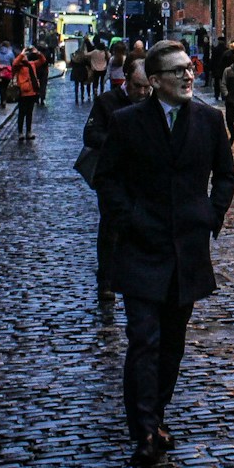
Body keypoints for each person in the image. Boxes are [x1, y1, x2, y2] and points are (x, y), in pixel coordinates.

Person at [95, 40, 234, 466]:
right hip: (142, 248)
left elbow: (226, 176)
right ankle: (142, 429)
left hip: (187, 251)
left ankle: (156, 415)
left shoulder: (210, 120)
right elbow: (107, 179)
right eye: (177, 71)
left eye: (189, 68)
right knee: (143, 340)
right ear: (154, 82)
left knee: (172, 343)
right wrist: (130, 219)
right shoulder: (128, 122)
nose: (188, 76)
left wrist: (211, 216)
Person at [78, 58, 152, 303]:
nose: (142, 92)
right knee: (110, 228)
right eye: (137, 86)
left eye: (146, 87)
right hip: (112, 177)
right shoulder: (107, 102)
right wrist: (118, 143)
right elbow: (90, 135)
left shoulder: (154, 103)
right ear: (126, 81)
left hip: (142, 178)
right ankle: (106, 280)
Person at [14, 44, 44, 140]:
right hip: (23, 92)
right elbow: (14, 63)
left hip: (32, 92)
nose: (26, 56)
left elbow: (43, 61)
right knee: (21, 113)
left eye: (26, 55)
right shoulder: (19, 66)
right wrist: (22, 54)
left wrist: (37, 52)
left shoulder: (32, 64)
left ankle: (28, 131)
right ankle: (20, 132)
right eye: (25, 55)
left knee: (29, 113)